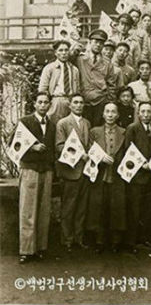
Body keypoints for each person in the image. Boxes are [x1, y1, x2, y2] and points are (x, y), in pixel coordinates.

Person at [16, 92, 56, 263]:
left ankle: (40, 247)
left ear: (49, 105)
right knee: (27, 210)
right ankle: (26, 250)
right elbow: (14, 143)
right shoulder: (25, 122)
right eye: (40, 102)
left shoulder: (52, 125)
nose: (43, 105)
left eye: (46, 102)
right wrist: (32, 147)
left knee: (43, 209)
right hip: (30, 168)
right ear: (35, 104)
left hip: (46, 170)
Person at [85, 102, 125, 253]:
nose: (110, 115)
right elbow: (89, 149)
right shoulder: (94, 132)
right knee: (99, 207)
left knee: (116, 207)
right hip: (100, 174)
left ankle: (115, 242)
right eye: (107, 111)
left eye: (113, 112)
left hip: (117, 175)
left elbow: (129, 152)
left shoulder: (124, 132)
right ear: (103, 114)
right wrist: (100, 158)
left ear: (117, 115)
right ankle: (99, 241)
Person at [55, 93, 92, 250]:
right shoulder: (63, 123)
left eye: (81, 103)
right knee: (69, 207)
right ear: (69, 105)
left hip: (85, 171)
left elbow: (89, 144)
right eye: (75, 102)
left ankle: (79, 238)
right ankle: (67, 239)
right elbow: (60, 146)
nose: (78, 105)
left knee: (82, 208)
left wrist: (91, 153)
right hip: (71, 171)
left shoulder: (87, 123)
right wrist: (79, 155)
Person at [123, 101, 151, 253]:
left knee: (147, 209)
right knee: (134, 209)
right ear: (138, 113)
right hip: (137, 175)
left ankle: (144, 238)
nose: (145, 114)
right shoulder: (132, 128)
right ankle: (131, 242)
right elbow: (128, 150)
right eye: (142, 111)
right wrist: (142, 164)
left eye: (148, 111)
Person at [71, 29, 118, 126]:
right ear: (89, 42)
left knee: (98, 130)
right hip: (84, 101)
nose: (98, 45)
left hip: (100, 102)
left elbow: (111, 84)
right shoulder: (80, 59)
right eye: (96, 42)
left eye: (101, 43)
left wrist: (109, 101)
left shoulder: (107, 62)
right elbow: (68, 62)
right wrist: (74, 51)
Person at [39, 40, 80, 124]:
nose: (64, 53)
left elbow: (78, 89)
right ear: (56, 53)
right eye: (60, 50)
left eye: (66, 50)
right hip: (56, 101)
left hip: (71, 101)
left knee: (71, 128)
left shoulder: (74, 69)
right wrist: (47, 103)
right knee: (55, 127)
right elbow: (42, 89)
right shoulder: (50, 68)